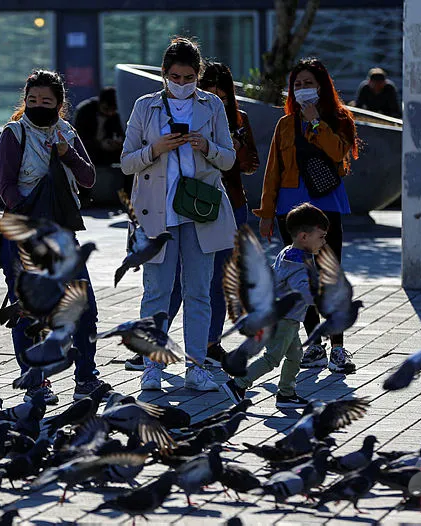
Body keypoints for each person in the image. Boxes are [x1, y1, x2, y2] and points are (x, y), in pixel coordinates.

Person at [124, 61, 259, 372]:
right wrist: (154, 149)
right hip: (156, 214)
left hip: (200, 212)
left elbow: (228, 160)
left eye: (188, 77)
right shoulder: (146, 106)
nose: (181, 83)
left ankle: (196, 368)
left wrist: (207, 146)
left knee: (199, 292)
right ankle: (151, 370)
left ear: (197, 76)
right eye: (174, 77)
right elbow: (127, 162)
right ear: (164, 75)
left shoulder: (211, 104)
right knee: (156, 294)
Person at [0, 69, 104, 404]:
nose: (38, 105)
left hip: (64, 236)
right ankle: (35, 380)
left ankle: (86, 377)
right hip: (27, 237)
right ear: (24, 101)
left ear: (59, 104)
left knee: (83, 308)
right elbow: (4, 186)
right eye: (32, 100)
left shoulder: (67, 132)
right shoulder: (14, 133)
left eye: (46, 101)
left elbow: (88, 178)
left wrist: (65, 153)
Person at [256, 57, 359, 375]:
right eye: (297, 85)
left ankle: (338, 348)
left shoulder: (338, 118)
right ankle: (315, 344)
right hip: (291, 210)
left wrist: (316, 123)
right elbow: (273, 169)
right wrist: (267, 212)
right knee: (302, 278)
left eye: (308, 84)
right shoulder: (285, 125)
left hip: (326, 207)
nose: (302, 89)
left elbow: (341, 154)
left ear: (322, 87)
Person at [222, 203, 327, 408]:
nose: (324, 242)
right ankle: (238, 384)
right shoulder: (300, 264)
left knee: (295, 355)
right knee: (272, 358)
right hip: (284, 320)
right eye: (321, 236)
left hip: (287, 318)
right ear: (304, 237)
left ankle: (286, 394)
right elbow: (303, 292)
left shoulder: (287, 252)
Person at [73, 87, 124, 166]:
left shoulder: (115, 116)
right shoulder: (84, 111)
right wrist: (99, 144)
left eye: (112, 110)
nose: (109, 113)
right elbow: (79, 137)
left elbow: (120, 132)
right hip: (87, 154)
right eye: (106, 109)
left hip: (109, 157)